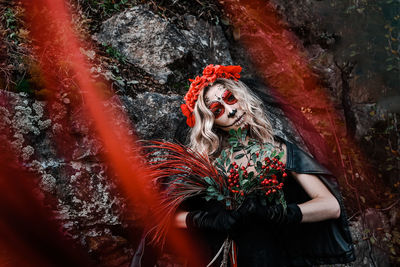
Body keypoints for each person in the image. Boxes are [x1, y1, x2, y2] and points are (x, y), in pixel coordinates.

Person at [173, 64, 355, 266]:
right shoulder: (207, 162)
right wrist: (207, 219)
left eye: (230, 98)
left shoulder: (277, 151)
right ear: (211, 122)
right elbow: (169, 219)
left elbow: (331, 206)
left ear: (242, 96)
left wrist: (280, 214)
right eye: (217, 110)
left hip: (278, 258)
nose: (231, 111)